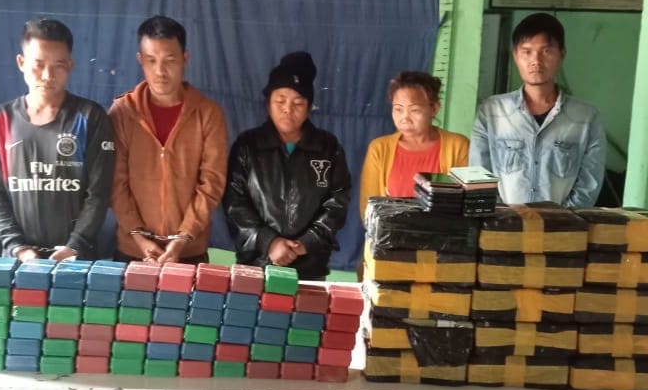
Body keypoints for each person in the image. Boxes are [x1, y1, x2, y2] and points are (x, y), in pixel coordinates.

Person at [0, 19, 116, 262]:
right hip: (17, 259)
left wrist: (76, 245)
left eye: (58, 66)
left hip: (76, 259)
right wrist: (17, 247)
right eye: (38, 65)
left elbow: (99, 193)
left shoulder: (90, 117)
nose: (47, 75)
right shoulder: (0, 120)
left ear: (70, 66)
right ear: (21, 63)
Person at [110, 15, 228, 264]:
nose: (160, 71)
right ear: (140, 60)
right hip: (133, 251)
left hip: (188, 251)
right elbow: (115, 182)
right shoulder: (122, 112)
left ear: (185, 59)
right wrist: (139, 239)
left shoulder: (208, 114)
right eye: (151, 60)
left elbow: (212, 183)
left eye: (170, 60)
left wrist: (183, 238)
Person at [223, 51, 351, 280]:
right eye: (280, 101)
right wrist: (269, 242)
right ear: (268, 103)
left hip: (310, 266)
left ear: (309, 107)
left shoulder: (327, 147)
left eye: (298, 103)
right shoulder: (248, 145)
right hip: (257, 264)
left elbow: (338, 200)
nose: (287, 109)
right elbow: (234, 202)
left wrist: (307, 242)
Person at [470, 12, 606, 206]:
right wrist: (503, 217)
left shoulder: (586, 118)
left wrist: (561, 219)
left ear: (562, 54)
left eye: (546, 51)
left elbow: (589, 184)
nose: (536, 61)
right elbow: (479, 176)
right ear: (515, 56)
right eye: (526, 51)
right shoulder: (491, 112)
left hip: (562, 223)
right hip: (503, 222)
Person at [359, 71, 469, 217]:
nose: (404, 118)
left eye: (414, 110)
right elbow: (368, 208)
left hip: (443, 230)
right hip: (390, 231)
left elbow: (465, 204)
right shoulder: (379, 148)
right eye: (398, 109)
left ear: (434, 108)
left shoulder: (457, 146)